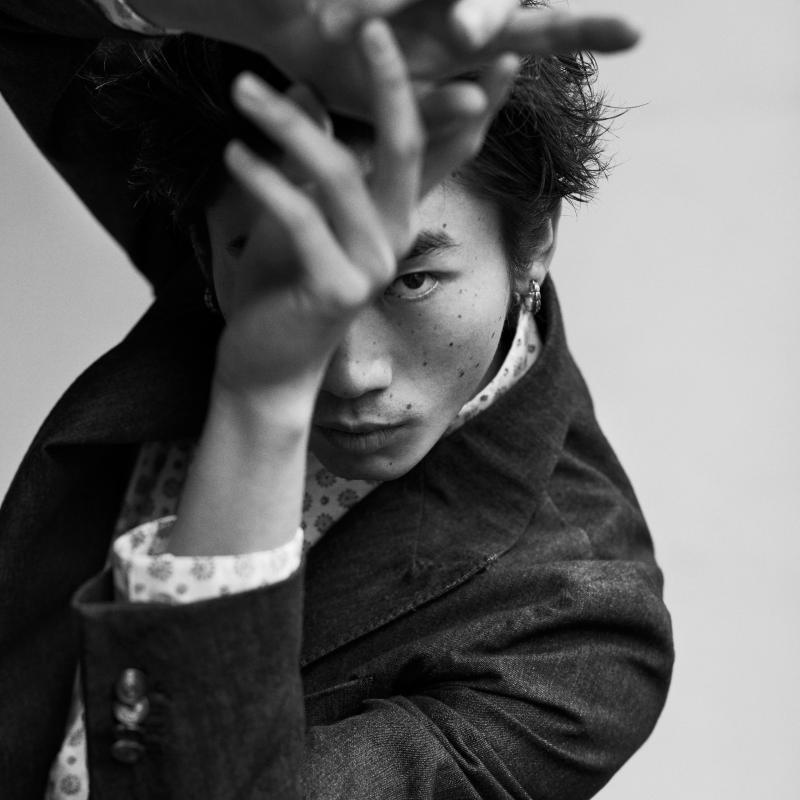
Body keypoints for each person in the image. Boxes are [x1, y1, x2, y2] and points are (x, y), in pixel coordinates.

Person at [0, 1, 673, 798]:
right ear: (202, 245)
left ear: (535, 241)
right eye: (289, 273)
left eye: (412, 281)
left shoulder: (578, 637)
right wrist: (254, 13)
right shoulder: (240, 191)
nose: (351, 372)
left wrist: (260, 402)